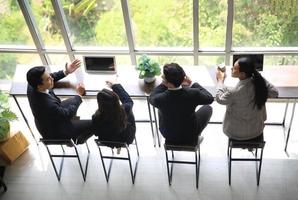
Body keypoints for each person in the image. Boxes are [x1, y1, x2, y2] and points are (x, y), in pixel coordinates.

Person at [26, 59, 93, 144]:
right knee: (94, 123)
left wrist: (67, 71)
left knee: (73, 100)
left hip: (49, 119)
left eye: (49, 76)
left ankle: (75, 123)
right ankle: (77, 140)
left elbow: (51, 76)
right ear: (39, 86)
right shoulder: (47, 105)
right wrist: (79, 94)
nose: (51, 78)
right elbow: (68, 114)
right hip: (55, 130)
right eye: (48, 79)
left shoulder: (32, 85)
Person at [149, 63, 214, 146]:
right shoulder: (193, 93)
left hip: (168, 135)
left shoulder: (159, 99)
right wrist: (192, 84)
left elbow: (151, 98)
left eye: (163, 76)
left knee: (161, 109)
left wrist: (164, 84)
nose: (162, 77)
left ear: (167, 82)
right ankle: (196, 134)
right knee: (208, 108)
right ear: (183, 78)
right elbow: (210, 98)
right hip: (190, 134)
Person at [215, 57, 279, 140]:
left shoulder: (234, 92)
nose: (231, 69)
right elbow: (274, 92)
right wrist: (259, 77)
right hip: (256, 130)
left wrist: (220, 80)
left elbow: (219, 99)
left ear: (243, 74)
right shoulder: (257, 84)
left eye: (234, 68)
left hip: (235, 133)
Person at [92, 81, 136, 148]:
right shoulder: (124, 110)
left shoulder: (96, 117)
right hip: (125, 140)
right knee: (129, 110)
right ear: (116, 100)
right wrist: (114, 86)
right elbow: (128, 101)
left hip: (107, 142)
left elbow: (96, 133)